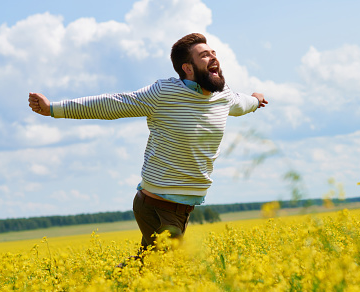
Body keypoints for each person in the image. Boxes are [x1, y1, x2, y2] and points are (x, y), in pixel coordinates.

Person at [28, 33, 268, 254]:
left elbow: (243, 103)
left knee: (146, 272)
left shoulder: (223, 96)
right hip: (158, 206)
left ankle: (113, 283)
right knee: (169, 273)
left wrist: (256, 100)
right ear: (188, 68)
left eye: (214, 53)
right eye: (204, 55)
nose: (213, 57)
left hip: (181, 208)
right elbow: (114, 103)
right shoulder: (164, 93)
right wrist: (53, 109)